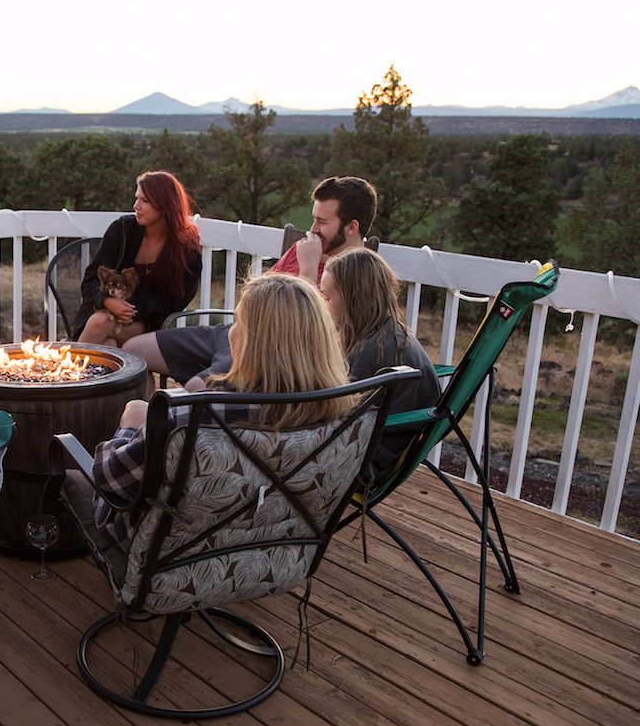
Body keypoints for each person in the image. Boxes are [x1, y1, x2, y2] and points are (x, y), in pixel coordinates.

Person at [92, 273, 357, 547]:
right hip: (276, 548)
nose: (230, 330)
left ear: (253, 342)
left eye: (238, 321)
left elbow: (111, 480)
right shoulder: (346, 415)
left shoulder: (196, 415)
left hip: (174, 550)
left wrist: (129, 425)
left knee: (125, 423)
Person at [123, 175, 377, 392]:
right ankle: (137, 431)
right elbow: (254, 296)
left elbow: (315, 338)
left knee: (196, 388)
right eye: (314, 218)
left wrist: (308, 270)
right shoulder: (306, 247)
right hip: (233, 330)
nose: (312, 229)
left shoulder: (357, 275)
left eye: (322, 222)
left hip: (263, 348)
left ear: (351, 227)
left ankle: (161, 439)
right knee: (132, 352)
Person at [320, 247, 442, 473]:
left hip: (362, 464)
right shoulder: (390, 334)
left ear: (354, 298)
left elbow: (334, 418)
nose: (321, 305)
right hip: (383, 452)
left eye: (326, 297)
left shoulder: (373, 351)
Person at [72, 171, 202, 346]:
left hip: (147, 324)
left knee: (101, 323)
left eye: (145, 200)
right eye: (136, 198)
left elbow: (174, 303)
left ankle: (74, 371)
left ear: (166, 205)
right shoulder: (122, 231)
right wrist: (107, 300)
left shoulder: (186, 250)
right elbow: (90, 281)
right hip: (98, 312)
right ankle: (133, 374)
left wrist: (130, 307)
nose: (136, 206)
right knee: (108, 343)